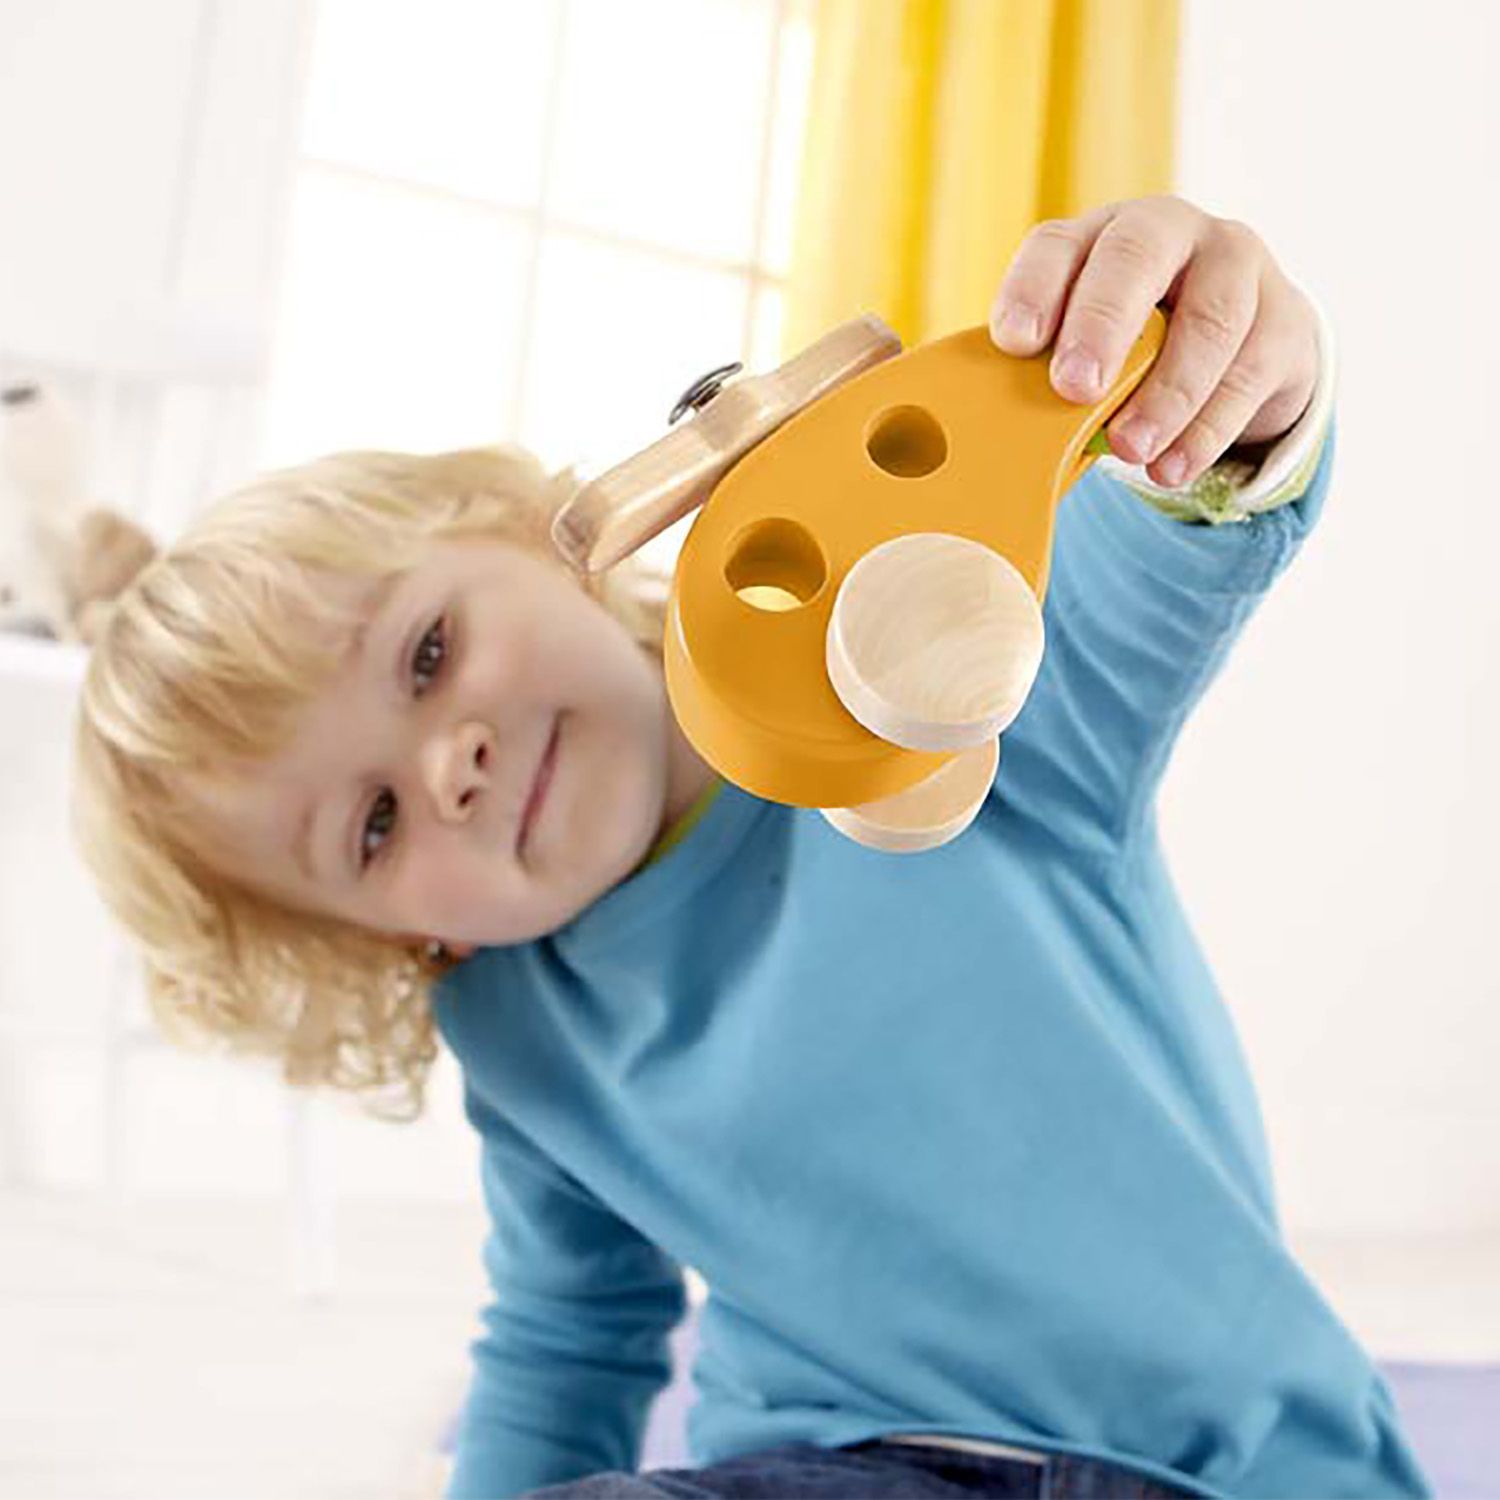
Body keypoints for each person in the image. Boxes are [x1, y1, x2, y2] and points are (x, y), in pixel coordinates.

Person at [70, 195, 1431, 1500]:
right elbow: (565, 1344)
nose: (449, 766)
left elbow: (1180, 550)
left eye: (428, 654)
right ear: (384, 937)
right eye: (374, 826)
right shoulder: (519, 1032)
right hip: (839, 1469)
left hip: (1242, 1468)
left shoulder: (929, 698)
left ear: (535, 538)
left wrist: (1235, 393)